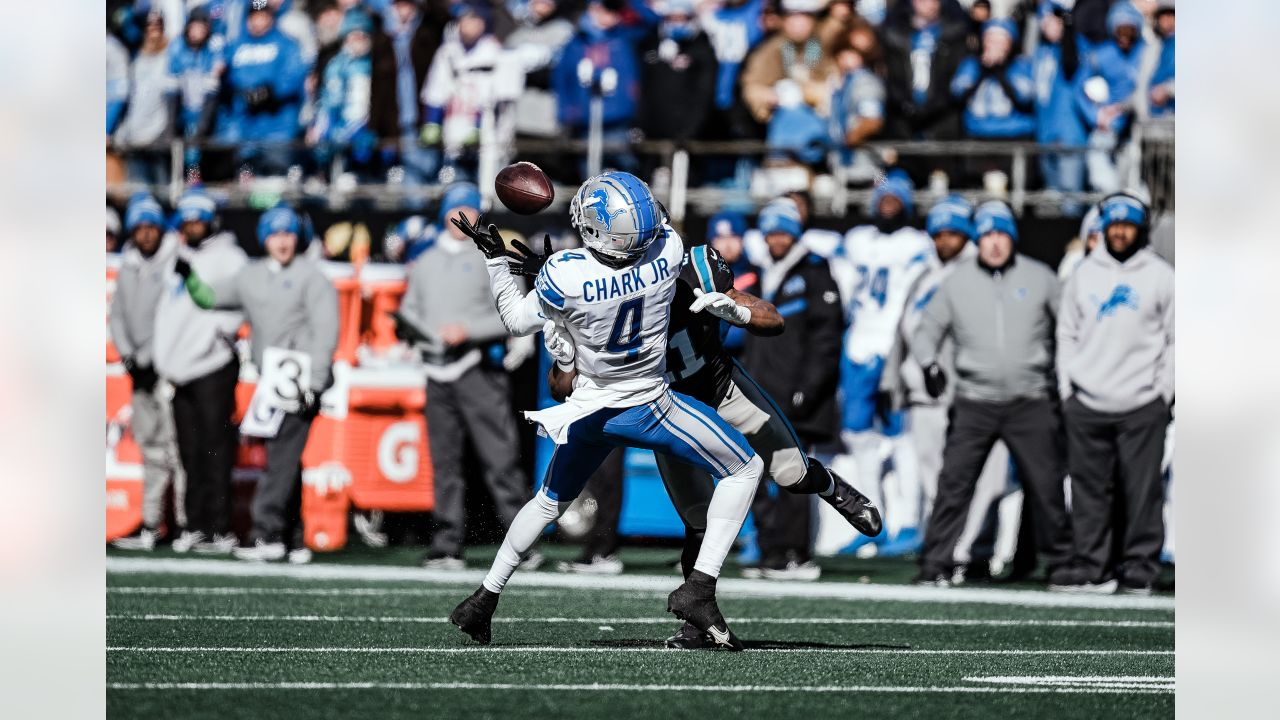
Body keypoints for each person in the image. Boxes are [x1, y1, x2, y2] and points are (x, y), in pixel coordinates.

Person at [448, 171, 765, 651]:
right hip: (647, 403)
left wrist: (497, 262)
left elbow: (515, 320)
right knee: (746, 467)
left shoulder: (565, 274)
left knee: (548, 503)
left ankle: (484, 598)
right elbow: (642, 242)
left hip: (590, 408)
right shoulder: (667, 252)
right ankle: (699, 589)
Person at [520, 223, 879, 639]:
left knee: (790, 474)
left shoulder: (694, 267)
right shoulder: (596, 290)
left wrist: (737, 312)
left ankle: (830, 485)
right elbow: (561, 387)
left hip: (720, 387)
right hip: (666, 408)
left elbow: (774, 319)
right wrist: (564, 356)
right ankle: (698, 620)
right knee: (700, 521)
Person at [910, 201, 1073, 586]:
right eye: (987, 235)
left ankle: (1066, 565)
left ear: (1012, 238)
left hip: (1031, 398)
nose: (995, 243)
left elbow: (1069, 326)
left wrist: (1066, 374)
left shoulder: (1040, 277)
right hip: (974, 400)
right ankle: (935, 563)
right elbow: (926, 330)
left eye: (1002, 235)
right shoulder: (957, 281)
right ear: (977, 240)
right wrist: (929, 363)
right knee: (954, 485)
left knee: (1046, 487)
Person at [175, 205, 339, 563]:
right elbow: (209, 298)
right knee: (285, 459)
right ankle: (291, 537)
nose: (282, 241)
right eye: (276, 233)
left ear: (298, 237)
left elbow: (327, 333)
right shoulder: (251, 276)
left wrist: (313, 382)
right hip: (273, 380)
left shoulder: (313, 278)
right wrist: (188, 276)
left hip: (302, 381)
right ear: (265, 237)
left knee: (281, 457)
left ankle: (266, 532)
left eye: (289, 233)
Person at [395, 182, 534, 571]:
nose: (462, 219)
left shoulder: (493, 257)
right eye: (456, 211)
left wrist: (467, 331)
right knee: (445, 463)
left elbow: (515, 313)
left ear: (480, 215)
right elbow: (409, 312)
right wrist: (414, 333)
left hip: (479, 369)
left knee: (500, 459)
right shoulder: (424, 263)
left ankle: (522, 543)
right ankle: (447, 542)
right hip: (436, 372)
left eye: (469, 212)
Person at [1054, 193, 1173, 594]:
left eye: (1128, 225)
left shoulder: (1161, 275)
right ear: (1103, 228)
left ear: (1141, 229)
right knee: (1089, 493)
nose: (1120, 232)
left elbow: (1178, 339)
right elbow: (1066, 335)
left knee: (1142, 493)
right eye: (1113, 225)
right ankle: (1092, 566)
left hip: (1142, 403)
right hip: (1086, 403)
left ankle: (1140, 568)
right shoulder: (1084, 273)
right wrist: (1067, 389)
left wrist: (1164, 392)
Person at [888, 194, 1009, 579]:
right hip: (924, 393)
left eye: (954, 233)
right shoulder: (922, 274)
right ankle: (942, 549)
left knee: (977, 478)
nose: (945, 239)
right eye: (939, 232)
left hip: (967, 392)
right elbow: (902, 332)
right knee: (932, 479)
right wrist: (892, 381)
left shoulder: (978, 271)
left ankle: (969, 549)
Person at [739, 202, 845, 577]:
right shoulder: (757, 272)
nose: (777, 239)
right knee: (754, 472)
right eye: (771, 232)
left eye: (783, 231)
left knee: (794, 476)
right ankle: (769, 550)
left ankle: (795, 553)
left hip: (796, 396)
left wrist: (809, 388)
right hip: (758, 391)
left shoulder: (816, 272)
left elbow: (827, 339)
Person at [832, 169, 932, 556]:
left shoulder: (917, 242)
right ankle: (872, 520)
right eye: (883, 199)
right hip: (858, 341)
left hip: (895, 346)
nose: (887, 205)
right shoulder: (857, 240)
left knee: (902, 436)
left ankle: (909, 522)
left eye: (895, 200)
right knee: (858, 435)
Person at [152, 188, 248, 555]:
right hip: (179, 371)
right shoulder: (177, 256)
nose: (191, 226)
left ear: (211, 221)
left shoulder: (230, 258)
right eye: (186, 219)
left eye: (198, 219)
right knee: (190, 453)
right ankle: (194, 524)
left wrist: (213, 340)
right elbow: (168, 314)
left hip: (212, 367)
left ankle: (220, 527)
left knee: (215, 450)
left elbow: (234, 308)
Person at [109, 194, 188, 551]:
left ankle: (186, 523)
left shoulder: (176, 262)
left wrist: (151, 356)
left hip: (167, 369)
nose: (146, 234)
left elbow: (172, 315)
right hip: (139, 371)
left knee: (176, 449)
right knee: (150, 448)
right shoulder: (127, 266)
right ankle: (152, 523)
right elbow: (117, 317)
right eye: (139, 227)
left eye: (151, 227)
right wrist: (129, 355)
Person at [553, 0, 656, 177]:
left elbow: (652, 22)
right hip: (584, 121)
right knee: (589, 175)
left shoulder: (625, 37)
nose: (608, 15)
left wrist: (628, 3)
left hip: (619, 119)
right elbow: (562, 80)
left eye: (612, 10)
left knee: (626, 170)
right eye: (603, 9)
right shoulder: (575, 43)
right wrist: (566, 115)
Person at [739, 0, 837, 168]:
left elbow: (834, 82)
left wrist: (807, 94)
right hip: (782, 134)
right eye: (792, 16)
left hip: (823, 134)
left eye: (804, 16)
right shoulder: (773, 49)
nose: (798, 23)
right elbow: (753, 86)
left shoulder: (823, 46)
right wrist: (771, 97)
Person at [218, 0, 310, 176]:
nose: (258, 21)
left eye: (262, 17)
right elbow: (227, 78)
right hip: (244, 127)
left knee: (275, 176)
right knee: (244, 177)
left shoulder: (286, 44)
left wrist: (270, 92)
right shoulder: (236, 45)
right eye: (254, 17)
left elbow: (294, 75)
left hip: (277, 126)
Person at [880, 0, 969, 179]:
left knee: (938, 177)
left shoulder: (953, 34)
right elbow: (815, 63)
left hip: (938, 121)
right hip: (828, 122)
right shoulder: (825, 34)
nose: (931, 4)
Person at [1075, 1, 1146, 193]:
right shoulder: (1100, 55)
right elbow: (1080, 88)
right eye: (1119, 31)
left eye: (1129, 31)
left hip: (1139, 126)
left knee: (1135, 175)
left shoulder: (1146, 53)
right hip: (1108, 124)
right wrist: (1096, 116)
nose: (1124, 37)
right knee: (1101, 173)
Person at [636, 0, 719, 144]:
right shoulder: (651, 45)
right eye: (672, 18)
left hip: (688, 134)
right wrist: (641, 125)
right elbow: (644, 89)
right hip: (654, 132)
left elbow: (705, 94)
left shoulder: (702, 49)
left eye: (682, 18)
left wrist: (690, 130)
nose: (676, 23)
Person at [1033, 1, 1088, 215]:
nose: (1048, 25)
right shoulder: (1041, 52)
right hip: (1045, 137)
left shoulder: (1076, 48)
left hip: (1069, 137)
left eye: (1054, 21)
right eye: (1045, 21)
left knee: (1071, 201)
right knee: (1051, 202)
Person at [308, 9, 377, 175]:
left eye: (363, 37)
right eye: (354, 36)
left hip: (366, 129)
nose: (358, 41)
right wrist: (324, 128)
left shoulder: (377, 64)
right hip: (341, 128)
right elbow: (330, 100)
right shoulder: (337, 65)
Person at [115, 10, 174, 185]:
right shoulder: (135, 57)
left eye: (157, 25)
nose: (153, 30)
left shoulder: (170, 54)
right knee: (138, 193)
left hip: (158, 136)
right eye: (149, 26)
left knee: (163, 193)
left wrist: (168, 132)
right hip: (133, 137)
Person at [950, 19, 1035, 140]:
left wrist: (1000, 72)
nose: (995, 46)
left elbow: (1025, 99)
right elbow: (958, 95)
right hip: (977, 133)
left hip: (1014, 133)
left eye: (1001, 41)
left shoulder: (1020, 66)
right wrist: (983, 72)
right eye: (990, 40)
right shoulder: (971, 65)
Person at [167, 7, 224, 177]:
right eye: (194, 27)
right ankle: (187, 179)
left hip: (206, 110)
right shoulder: (177, 47)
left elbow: (213, 89)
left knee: (199, 149)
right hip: (185, 110)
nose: (197, 32)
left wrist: (203, 125)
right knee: (186, 153)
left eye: (202, 28)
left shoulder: (213, 48)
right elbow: (172, 88)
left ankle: (195, 180)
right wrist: (171, 123)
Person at [829, 22, 886, 185]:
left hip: (867, 170)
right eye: (847, 50)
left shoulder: (865, 81)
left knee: (871, 204)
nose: (849, 57)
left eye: (857, 52)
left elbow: (872, 120)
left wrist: (852, 137)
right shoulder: (843, 82)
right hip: (843, 167)